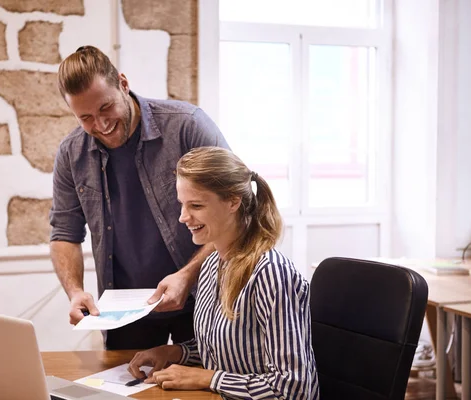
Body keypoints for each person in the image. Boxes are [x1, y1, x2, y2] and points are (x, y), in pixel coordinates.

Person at [50, 46, 230, 350]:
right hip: (125, 314)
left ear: (123, 83)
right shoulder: (71, 154)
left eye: (106, 108)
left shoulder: (187, 125)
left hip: (204, 299)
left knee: (203, 391)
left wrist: (187, 275)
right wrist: (75, 291)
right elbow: (64, 233)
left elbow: (236, 210)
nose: (101, 125)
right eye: (86, 118)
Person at [128, 147, 319, 399]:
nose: (183, 217)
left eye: (196, 205)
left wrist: (208, 377)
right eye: (182, 205)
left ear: (232, 201)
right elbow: (229, 349)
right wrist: (175, 353)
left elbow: (293, 388)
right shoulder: (210, 265)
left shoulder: (271, 273)